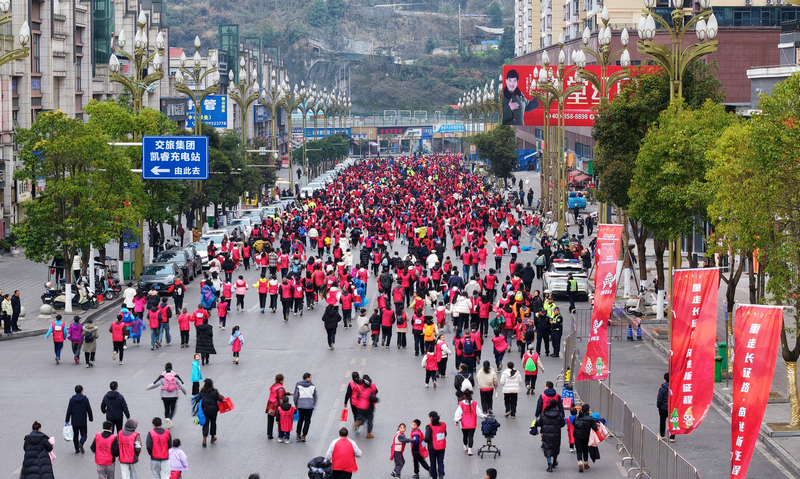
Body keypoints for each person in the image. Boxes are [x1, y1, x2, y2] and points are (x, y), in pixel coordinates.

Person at [146, 362, 188, 429]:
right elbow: (181, 384)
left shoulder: (162, 376)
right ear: (171, 368)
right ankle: (169, 418)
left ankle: (167, 421)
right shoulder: (175, 376)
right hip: (174, 396)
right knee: (173, 409)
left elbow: (155, 384)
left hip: (165, 396)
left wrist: (148, 387)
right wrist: (185, 392)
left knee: (166, 409)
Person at [454, 389, 484, 456]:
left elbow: (458, 413)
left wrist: (457, 420)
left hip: (464, 424)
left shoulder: (461, 404)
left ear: (464, 395)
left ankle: (465, 445)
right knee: (471, 436)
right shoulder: (474, 403)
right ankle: (470, 449)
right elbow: (479, 413)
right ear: (471, 395)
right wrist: (484, 416)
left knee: (465, 436)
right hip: (472, 423)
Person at [65, 384, 94, 453]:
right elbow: (88, 409)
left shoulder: (72, 400)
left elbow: (69, 410)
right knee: (84, 434)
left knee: (75, 435)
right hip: (83, 420)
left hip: (74, 420)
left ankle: (77, 449)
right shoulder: (85, 399)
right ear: (82, 391)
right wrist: (90, 418)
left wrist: (67, 420)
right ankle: (81, 442)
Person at [539, 398, 565, 472]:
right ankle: (555, 461)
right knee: (555, 447)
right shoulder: (559, 414)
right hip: (556, 434)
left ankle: (549, 465)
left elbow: (540, 422)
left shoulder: (544, 414)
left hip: (546, 434)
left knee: (547, 448)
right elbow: (562, 424)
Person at [572, 404, 599, 473]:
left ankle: (580, 462)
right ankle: (586, 463)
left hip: (577, 436)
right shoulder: (591, 419)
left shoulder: (577, 418)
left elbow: (574, 424)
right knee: (585, 450)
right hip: (586, 436)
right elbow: (595, 428)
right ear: (588, 410)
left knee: (579, 450)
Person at [198, 379, 224, 447]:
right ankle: (212, 437)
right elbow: (220, 399)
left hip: (205, 410)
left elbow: (197, 399)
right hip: (213, 410)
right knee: (213, 423)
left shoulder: (202, 391)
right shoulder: (214, 391)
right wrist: (221, 395)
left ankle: (204, 438)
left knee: (205, 424)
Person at [266, 374, 291, 440]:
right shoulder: (281, 388)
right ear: (282, 380)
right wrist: (282, 406)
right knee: (280, 419)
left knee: (270, 419)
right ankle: (281, 432)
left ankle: (269, 434)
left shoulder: (273, 386)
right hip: (276, 405)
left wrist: (289, 393)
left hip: (270, 404)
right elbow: (280, 397)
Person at [294, 372, 317, 442]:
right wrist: (313, 404)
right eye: (310, 377)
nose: (311, 378)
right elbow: (315, 396)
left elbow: (296, 395)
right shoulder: (313, 386)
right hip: (309, 406)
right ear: (307, 378)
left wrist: (296, 404)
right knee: (307, 421)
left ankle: (298, 434)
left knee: (300, 419)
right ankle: (304, 435)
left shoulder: (298, 385)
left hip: (301, 405)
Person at [424, 411, 447, 479]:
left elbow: (427, 438)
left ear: (431, 418)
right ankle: (441, 473)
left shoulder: (429, 426)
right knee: (440, 461)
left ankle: (434, 476)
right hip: (442, 446)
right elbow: (445, 433)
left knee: (433, 462)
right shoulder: (443, 424)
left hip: (432, 447)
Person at [657, 372, 675, 442]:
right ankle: (672, 437)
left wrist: (658, 405)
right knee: (673, 421)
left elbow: (660, 398)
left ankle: (662, 435)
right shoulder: (675, 387)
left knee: (662, 420)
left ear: (665, 380)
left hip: (663, 407)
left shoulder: (662, 388)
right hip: (673, 407)